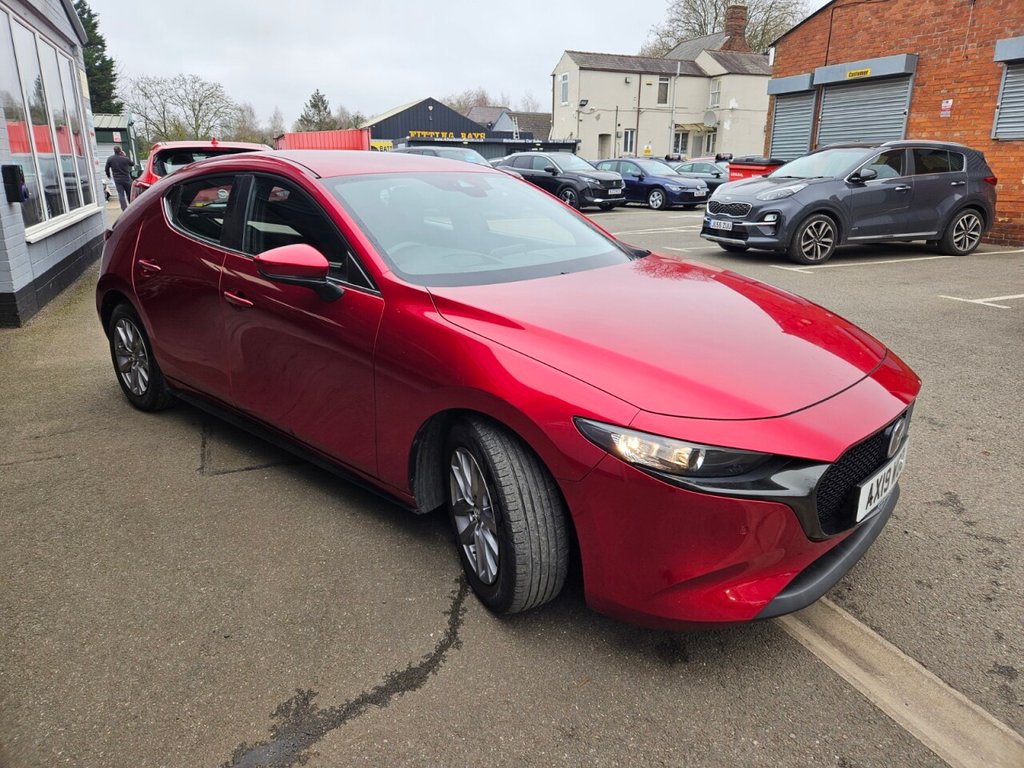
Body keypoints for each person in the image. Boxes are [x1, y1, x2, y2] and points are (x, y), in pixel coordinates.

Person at [104, 145, 133, 210]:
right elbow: (132, 163)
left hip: (117, 179)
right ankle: (132, 207)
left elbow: (106, 169)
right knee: (129, 194)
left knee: (121, 194)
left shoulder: (110, 159)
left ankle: (124, 209)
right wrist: (125, 156)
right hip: (126, 178)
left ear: (114, 151)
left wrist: (109, 176)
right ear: (120, 151)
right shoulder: (125, 158)